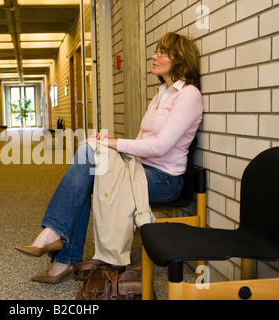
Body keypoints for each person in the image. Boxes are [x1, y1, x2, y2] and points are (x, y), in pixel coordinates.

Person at [15, 32, 203, 284]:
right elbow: (140, 142)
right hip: (139, 168)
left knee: (88, 166)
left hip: (165, 180)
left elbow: (160, 146)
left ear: (178, 59)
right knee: (86, 158)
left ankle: (59, 249)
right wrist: (111, 146)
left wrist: (112, 143)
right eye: (155, 51)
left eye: (160, 52)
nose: (153, 56)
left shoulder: (189, 95)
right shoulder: (161, 94)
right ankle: (57, 244)